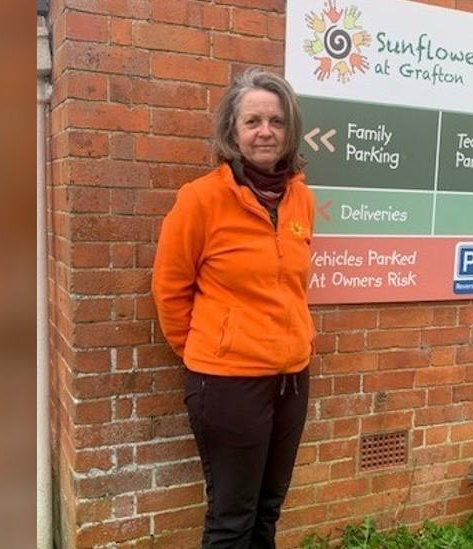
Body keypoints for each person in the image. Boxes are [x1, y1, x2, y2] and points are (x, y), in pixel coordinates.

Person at [151, 68, 316, 549]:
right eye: (253, 121)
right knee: (232, 518)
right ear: (233, 131)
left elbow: (293, 285)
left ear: (290, 131)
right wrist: (209, 351)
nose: (265, 131)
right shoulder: (200, 200)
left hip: (291, 378)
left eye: (276, 121)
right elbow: (170, 288)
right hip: (227, 382)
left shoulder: (300, 199)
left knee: (268, 510)